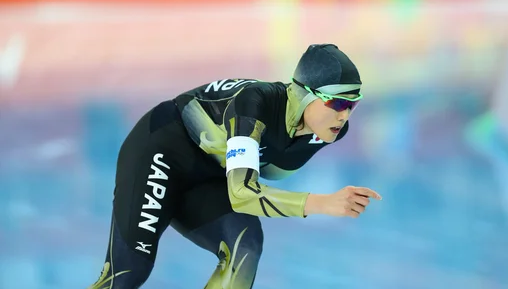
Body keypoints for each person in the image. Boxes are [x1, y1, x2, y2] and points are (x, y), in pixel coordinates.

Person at [87, 43, 382, 289]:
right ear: (305, 94)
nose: (345, 116)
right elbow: (242, 193)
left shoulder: (325, 133)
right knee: (127, 274)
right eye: (338, 104)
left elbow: (266, 173)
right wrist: (322, 203)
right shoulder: (254, 104)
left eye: (353, 105)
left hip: (208, 177)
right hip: (160, 153)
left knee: (246, 244)